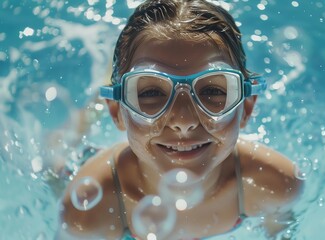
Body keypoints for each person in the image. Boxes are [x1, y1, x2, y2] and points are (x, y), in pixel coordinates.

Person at [57, 0, 302, 239]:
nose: (184, 120)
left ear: (246, 107)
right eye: (151, 93)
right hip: (78, 165)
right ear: (117, 112)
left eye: (213, 91)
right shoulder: (91, 213)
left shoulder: (273, 184)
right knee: (57, 164)